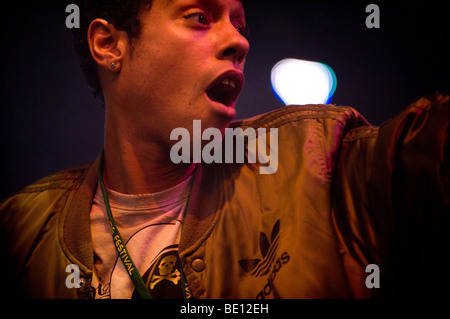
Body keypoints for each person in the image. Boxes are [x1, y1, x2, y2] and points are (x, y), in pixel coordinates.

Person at [0, 0, 448, 299]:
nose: (240, 41)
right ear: (108, 44)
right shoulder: (22, 227)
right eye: (199, 17)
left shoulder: (319, 160)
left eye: (239, 23)